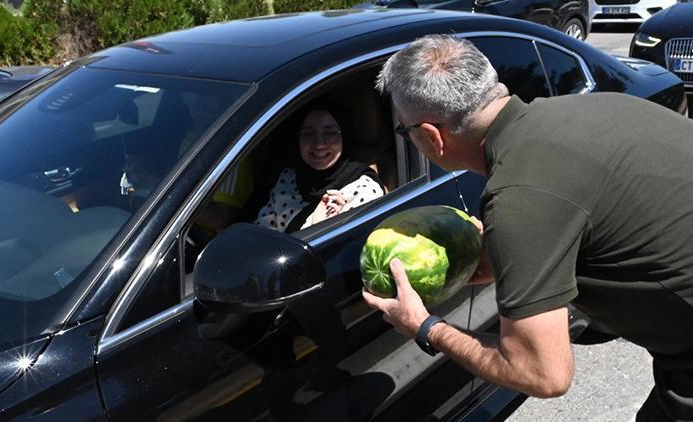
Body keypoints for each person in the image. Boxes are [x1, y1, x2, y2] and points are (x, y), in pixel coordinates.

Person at [364, 33, 693, 421]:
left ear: (433, 137)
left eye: (406, 130)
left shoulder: (518, 199)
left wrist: (425, 327)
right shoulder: (599, 106)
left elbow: (544, 374)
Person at [254, 104, 384, 232]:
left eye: (330, 133)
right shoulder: (288, 177)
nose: (319, 144)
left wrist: (322, 227)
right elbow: (261, 235)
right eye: (308, 133)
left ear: (344, 136)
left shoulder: (364, 188)